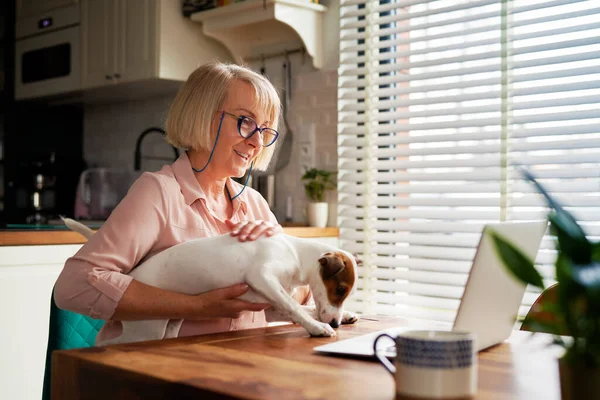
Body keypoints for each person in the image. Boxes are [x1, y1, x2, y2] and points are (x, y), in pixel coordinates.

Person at [54, 62, 311, 344]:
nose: (256, 142)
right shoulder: (159, 193)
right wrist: (197, 307)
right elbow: (73, 285)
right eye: (246, 122)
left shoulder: (255, 205)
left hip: (241, 370)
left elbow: (294, 299)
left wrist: (285, 270)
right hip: (164, 375)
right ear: (202, 115)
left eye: (264, 130)